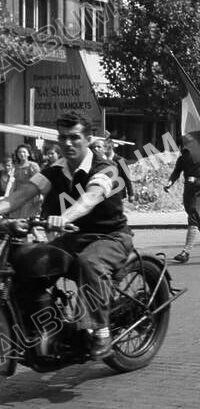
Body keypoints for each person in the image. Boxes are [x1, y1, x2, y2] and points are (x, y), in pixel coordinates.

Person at [0, 111, 134, 357]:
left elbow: (89, 199)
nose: (67, 143)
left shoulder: (107, 168)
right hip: (73, 237)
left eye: (74, 138)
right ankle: (44, 329)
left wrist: (64, 217)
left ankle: (101, 331)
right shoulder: (55, 170)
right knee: (26, 263)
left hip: (110, 237)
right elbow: (18, 197)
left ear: (88, 138)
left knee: (89, 263)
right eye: (62, 138)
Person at [8, 144, 42, 219]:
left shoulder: (33, 165)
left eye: (24, 152)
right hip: (17, 193)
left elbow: (38, 180)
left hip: (29, 193)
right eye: (19, 152)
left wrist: (39, 194)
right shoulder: (15, 166)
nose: (21, 154)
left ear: (28, 154)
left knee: (27, 216)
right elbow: (13, 181)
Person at [103, 135, 135, 202]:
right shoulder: (103, 161)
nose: (103, 150)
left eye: (105, 147)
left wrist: (131, 194)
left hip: (118, 193)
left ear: (111, 148)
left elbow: (127, 178)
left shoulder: (121, 160)